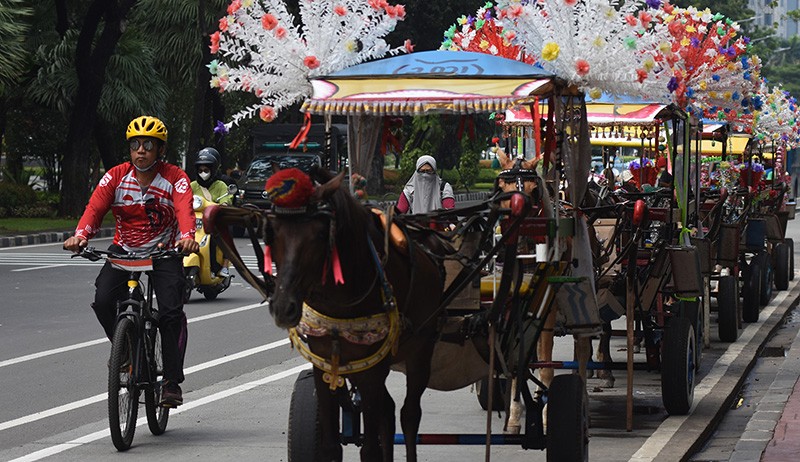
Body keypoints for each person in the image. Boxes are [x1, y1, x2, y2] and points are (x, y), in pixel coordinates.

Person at [63, 116, 199, 407]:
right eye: (135, 145)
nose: (141, 151)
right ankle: (124, 350)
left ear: (160, 150)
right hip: (124, 251)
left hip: (165, 253)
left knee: (170, 313)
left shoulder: (175, 177)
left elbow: (185, 210)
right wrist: (80, 235)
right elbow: (95, 208)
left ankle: (172, 382)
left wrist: (187, 236)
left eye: (148, 145)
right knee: (102, 301)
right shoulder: (115, 176)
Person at [191, 147, 232, 277]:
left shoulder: (221, 186)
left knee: (220, 237)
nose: (203, 173)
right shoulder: (192, 186)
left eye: (206, 170)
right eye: (200, 170)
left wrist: (223, 205)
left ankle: (223, 266)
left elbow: (226, 200)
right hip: (194, 223)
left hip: (214, 222)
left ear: (213, 170)